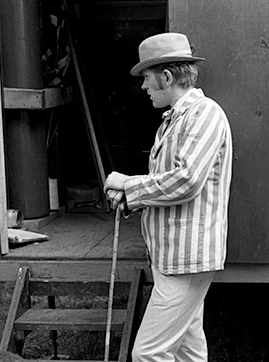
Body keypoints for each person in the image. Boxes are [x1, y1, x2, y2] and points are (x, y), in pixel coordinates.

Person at [103, 32, 233, 362]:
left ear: (166, 76)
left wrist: (129, 185)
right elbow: (168, 185)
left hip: (186, 258)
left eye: (146, 79)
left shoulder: (204, 114)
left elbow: (186, 180)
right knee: (189, 348)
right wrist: (132, 199)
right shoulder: (174, 119)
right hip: (173, 255)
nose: (144, 87)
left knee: (149, 352)